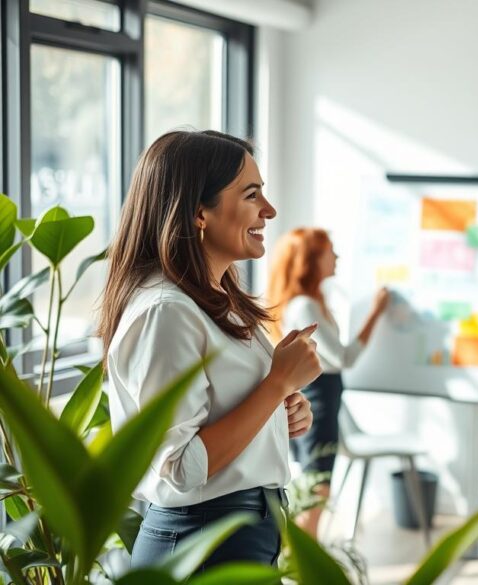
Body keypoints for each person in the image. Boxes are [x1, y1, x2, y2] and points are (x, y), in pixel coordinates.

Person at [101, 130, 321, 570]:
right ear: (199, 213)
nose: (269, 210)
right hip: (202, 542)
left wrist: (281, 406)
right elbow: (181, 468)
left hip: (234, 535)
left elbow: (222, 414)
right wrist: (277, 383)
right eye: (252, 195)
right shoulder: (166, 312)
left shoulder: (213, 301)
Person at [265, 228, 390, 539]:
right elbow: (343, 358)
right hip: (318, 408)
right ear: (311, 260)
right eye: (329, 251)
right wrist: (376, 312)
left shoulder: (310, 302)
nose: (336, 256)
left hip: (322, 405)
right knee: (317, 490)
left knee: (315, 489)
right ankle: (305, 567)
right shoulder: (305, 306)